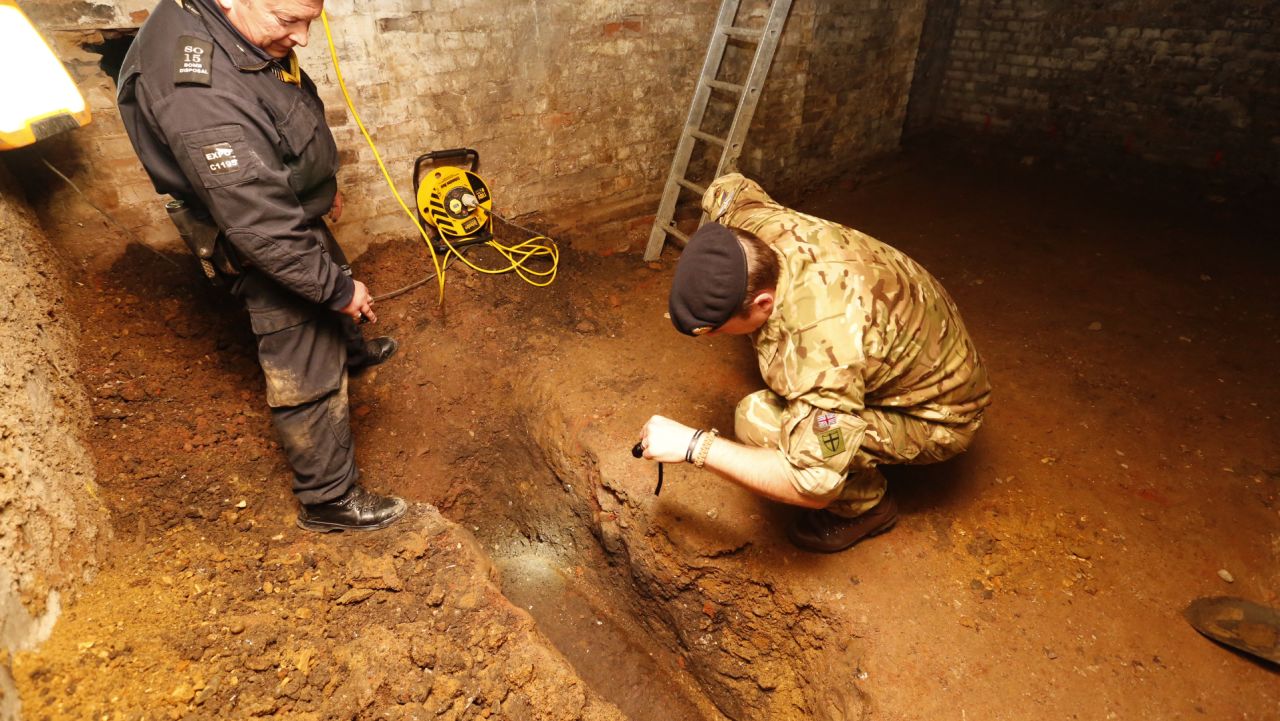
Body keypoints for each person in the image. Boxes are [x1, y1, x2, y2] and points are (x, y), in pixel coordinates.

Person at [117, 0, 407, 531]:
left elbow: (276, 109)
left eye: (309, 21)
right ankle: (329, 500)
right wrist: (338, 293)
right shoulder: (197, 91)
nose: (301, 38)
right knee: (300, 338)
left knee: (324, 263)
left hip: (281, 203)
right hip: (254, 229)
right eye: (287, 20)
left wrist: (320, 186)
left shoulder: (230, 25)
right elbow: (262, 228)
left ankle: (352, 353)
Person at [640, 173, 992, 553]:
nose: (709, 338)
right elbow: (728, 187)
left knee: (756, 418)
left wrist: (695, 447)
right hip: (911, 334)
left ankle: (866, 508)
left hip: (936, 413)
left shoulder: (823, 350)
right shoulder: (754, 225)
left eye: (714, 330)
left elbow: (810, 485)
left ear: (762, 304)